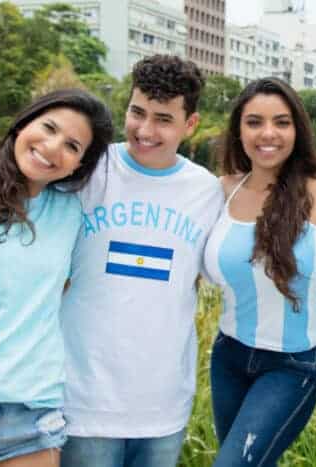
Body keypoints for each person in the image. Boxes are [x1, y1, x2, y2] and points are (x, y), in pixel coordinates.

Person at [59, 55, 223, 467]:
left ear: (191, 125)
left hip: (163, 407)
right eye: (137, 113)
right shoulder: (88, 170)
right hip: (83, 403)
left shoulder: (206, 191)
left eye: (163, 119)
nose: (145, 131)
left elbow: (229, 268)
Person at [0, 89, 113, 467]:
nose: (51, 147)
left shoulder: (70, 215)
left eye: (72, 146)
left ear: (78, 165)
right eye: (48, 128)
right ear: (22, 125)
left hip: (29, 411)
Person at [202, 77, 316, 466]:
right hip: (229, 355)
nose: (268, 134)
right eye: (254, 122)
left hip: (294, 363)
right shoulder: (219, 190)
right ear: (238, 131)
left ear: (297, 129)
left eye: (282, 122)